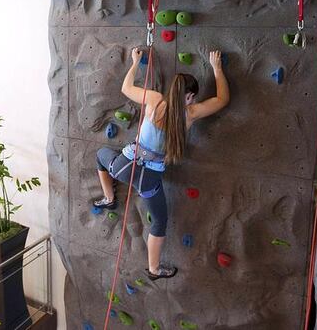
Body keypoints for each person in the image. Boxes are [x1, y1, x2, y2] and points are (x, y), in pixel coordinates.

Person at [94, 47, 229, 280]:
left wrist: (135, 62)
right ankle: (154, 270)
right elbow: (222, 99)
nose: (193, 100)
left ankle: (109, 198)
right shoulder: (191, 112)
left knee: (101, 155)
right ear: (188, 97)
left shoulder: (155, 99)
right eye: (192, 97)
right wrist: (217, 68)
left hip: (124, 167)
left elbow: (125, 88)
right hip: (150, 180)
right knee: (159, 221)